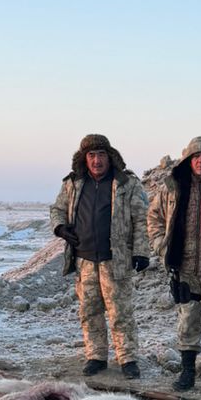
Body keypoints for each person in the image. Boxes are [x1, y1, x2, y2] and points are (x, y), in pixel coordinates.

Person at [49, 133, 150, 379]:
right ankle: (96, 356)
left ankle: (127, 358)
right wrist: (60, 228)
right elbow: (57, 209)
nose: (96, 161)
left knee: (120, 312)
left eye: (101, 155)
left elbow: (140, 219)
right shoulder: (72, 183)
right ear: (84, 159)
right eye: (91, 156)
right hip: (84, 260)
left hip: (115, 260)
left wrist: (140, 251)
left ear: (110, 157)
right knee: (90, 311)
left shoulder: (126, 183)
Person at [147, 136, 201, 393]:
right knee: (187, 322)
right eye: (195, 157)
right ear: (188, 161)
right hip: (184, 268)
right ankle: (188, 373)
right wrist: (159, 245)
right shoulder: (173, 188)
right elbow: (154, 217)